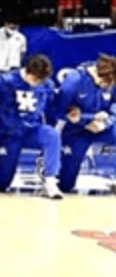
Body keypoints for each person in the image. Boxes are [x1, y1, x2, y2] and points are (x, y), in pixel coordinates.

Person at [0, 55, 63, 199]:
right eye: (35, 79)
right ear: (27, 71)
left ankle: (50, 180)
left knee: (52, 135)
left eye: (41, 80)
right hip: (8, 134)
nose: (37, 83)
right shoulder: (4, 81)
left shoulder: (47, 85)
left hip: (32, 130)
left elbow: (53, 108)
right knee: (1, 183)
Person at [52, 54, 116, 193]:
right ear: (99, 76)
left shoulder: (113, 77)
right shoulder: (74, 80)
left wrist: (108, 121)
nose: (107, 87)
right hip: (76, 131)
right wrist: (86, 120)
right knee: (65, 184)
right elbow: (59, 111)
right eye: (105, 84)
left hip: (104, 126)